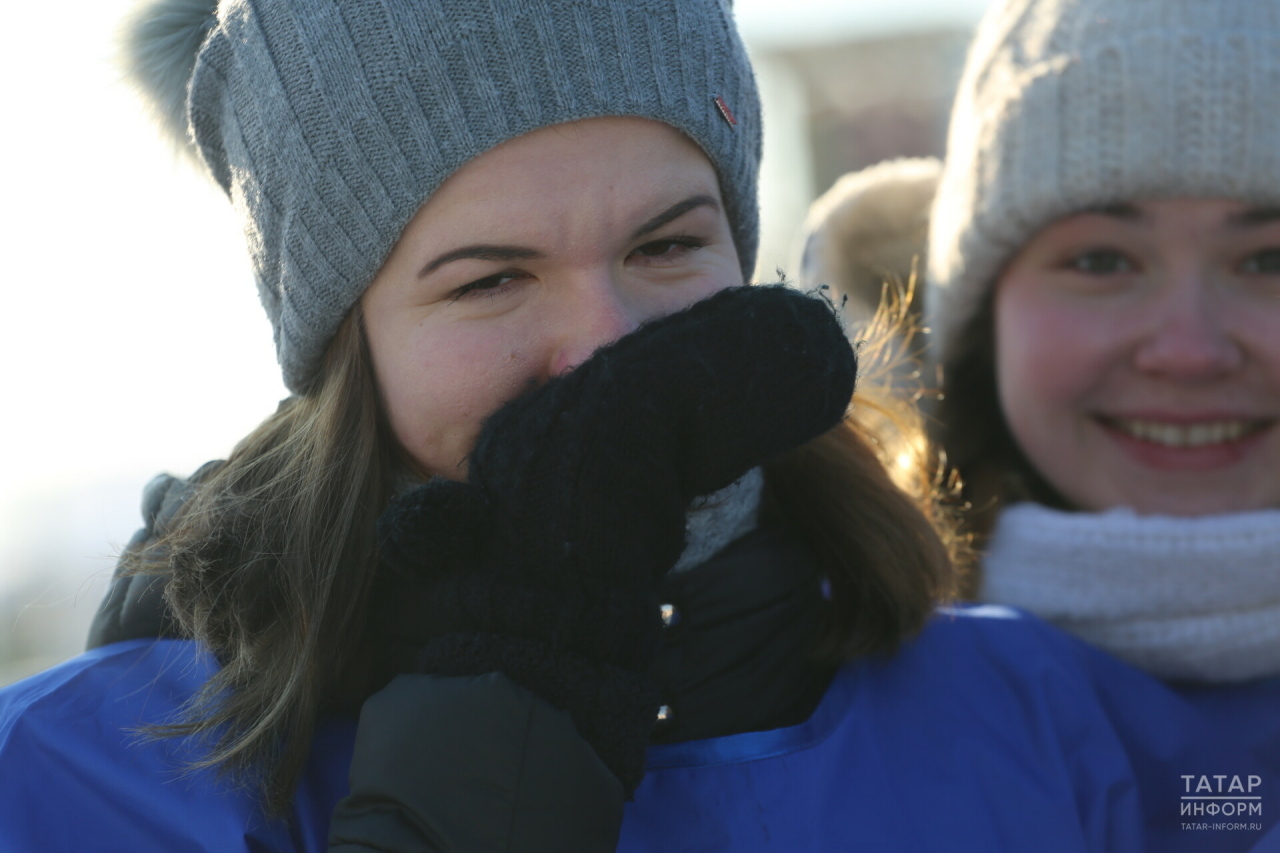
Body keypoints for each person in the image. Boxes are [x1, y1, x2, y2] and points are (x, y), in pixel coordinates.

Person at [0, 0, 1211, 850]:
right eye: (489, 278)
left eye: (666, 244)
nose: (605, 340)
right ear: (346, 348)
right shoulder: (78, 779)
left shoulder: (1044, 716)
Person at [800, 1, 1280, 850]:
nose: (1189, 350)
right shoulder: (782, 682)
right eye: (1101, 260)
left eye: (1268, 260)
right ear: (980, 323)